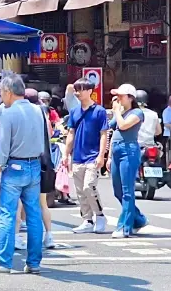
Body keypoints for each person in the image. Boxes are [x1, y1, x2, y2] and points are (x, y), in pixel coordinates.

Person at [0, 75, 44, 274]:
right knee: (33, 215)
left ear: (8, 92)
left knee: (7, 215)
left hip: (14, 167)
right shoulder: (38, 110)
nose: (1, 96)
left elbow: (3, 147)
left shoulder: (8, 113)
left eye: (1, 92)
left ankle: (3, 262)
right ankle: (34, 262)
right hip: (35, 165)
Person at [13, 89, 57, 251]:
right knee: (42, 203)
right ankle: (49, 235)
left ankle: (16, 237)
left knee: (18, 202)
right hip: (43, 161)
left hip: (24, 162)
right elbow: (50, 134)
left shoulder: (20, 114)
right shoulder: (42, 114)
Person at [65, 77, 109, 234]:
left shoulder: (99, 111)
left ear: (90, 91)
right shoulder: (74, 111)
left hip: (93, 156)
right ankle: (87, 220)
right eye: (76, 90)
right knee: (80, 192)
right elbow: (71, 133)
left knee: (89, 187)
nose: (78, 93)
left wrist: (101, 155)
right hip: (77, 156)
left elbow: (104, 134)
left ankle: (100, 215)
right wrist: (66, 154)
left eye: (81, 89)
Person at [108, 84, 149, 238]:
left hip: (128, 150)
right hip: (116, 150)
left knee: (127, 191)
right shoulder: (121, 113)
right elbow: (112, 131)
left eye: (121, 96)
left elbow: (123, 126)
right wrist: (109, 156)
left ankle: (124, 227)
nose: (118, 98)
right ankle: (138, 219)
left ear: (131, 98)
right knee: (117, 190)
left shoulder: (137, 113)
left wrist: (117, 112)